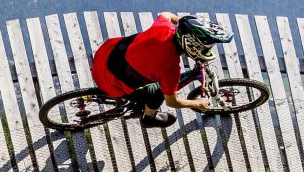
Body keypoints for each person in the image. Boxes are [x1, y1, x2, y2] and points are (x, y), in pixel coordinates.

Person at [91, 13, 233, 128]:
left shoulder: (164, 28)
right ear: (193, 45)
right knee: (158, 93)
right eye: (206, 46)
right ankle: (149, 118)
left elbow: (166, 15)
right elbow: (172, 102)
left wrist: (184, 26)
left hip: (105, 54)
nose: (208, 49)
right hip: (111, 82)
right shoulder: (170, 68)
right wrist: (196, 103)